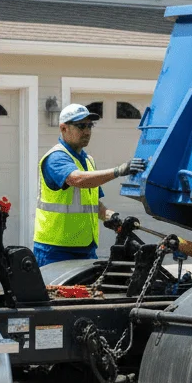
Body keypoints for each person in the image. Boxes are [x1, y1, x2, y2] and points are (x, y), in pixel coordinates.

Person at [33, 103, 146, 267]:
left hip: (86, 248)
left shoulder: (87, 160)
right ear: (64, 128)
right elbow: (77, 180)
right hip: (55, 251)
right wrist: (119, 170)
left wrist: (109, 216)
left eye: (89, 126)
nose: (87, 131)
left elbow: (91, 202)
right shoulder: (56, 158)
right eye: (80, 126)